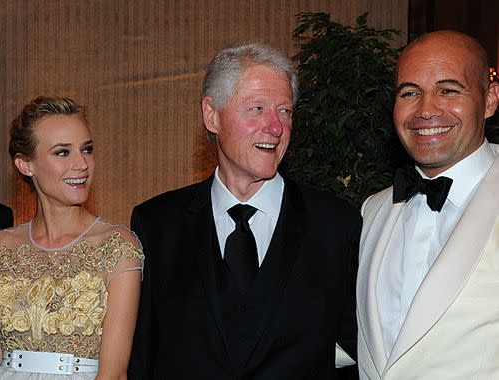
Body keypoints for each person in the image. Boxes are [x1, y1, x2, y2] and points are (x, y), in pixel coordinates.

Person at [128, 42, 361, 379]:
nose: (276, 127)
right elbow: (142, 358)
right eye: (257, 109)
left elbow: (355, 353)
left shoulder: (338, 225)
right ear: (212, 115)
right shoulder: (156, 224)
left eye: (285, 111)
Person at [357, 30, 499, 379]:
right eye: (409, 93)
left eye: (448, 90)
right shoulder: (372, 210)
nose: (425, 110)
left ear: (490, 99)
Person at [0, 96, 144, 379]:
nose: (82, 164)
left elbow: (113, 374)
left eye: (86, 149)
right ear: (25, 165)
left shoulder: (116, 246)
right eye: (63, 153)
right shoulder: (2, 247)